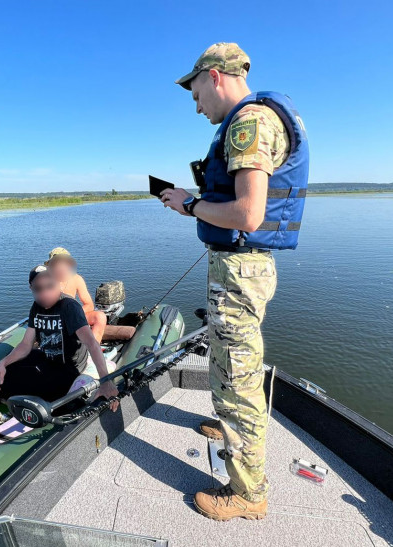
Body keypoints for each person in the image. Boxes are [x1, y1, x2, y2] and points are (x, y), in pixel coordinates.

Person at [161, 43, 309, 521]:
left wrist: (189, 205)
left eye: (195, 90)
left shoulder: (249, 122)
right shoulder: (255, 120)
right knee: (230, 361)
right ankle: (230, 427)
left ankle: (248, 494)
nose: (195, 102)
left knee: (240, 376)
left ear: (215, 75)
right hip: (243, 266)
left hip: (240, 269)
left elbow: (248, 212)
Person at [0, 264, 119, 411]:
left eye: (49, 286)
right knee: (4, 374)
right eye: (38, 289)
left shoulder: (69, 307)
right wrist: (3, 363)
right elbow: (26, 344)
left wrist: (105, 381)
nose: (44, 293)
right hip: (47, 359)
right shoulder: (36, 307)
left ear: (59, 284)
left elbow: (91, 343)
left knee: (30, 387)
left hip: (68, 368)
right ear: (31, 288)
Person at [45, 247, 107, 344]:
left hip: (72, 316)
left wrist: (74, 314)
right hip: (53, 320)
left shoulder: (76, 279)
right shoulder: (45, 281)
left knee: (100, 317)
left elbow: (89, 304)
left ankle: (92, 350)